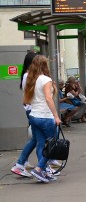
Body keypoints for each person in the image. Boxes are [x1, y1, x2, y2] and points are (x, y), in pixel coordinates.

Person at [23, 55, 62, 183]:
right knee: (51, 144)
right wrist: (56, 116)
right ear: (45, 65)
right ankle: (40, 168)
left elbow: (29, 99)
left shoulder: (32, 79)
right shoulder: (46, 79)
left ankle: (43, 171)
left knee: (41, 143)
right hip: (45, 116)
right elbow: (48, 98)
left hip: (34, 116)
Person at [11, 51, 38, 178]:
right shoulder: (28, 75)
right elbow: (32, 92)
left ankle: (23, 162)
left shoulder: (27, 75)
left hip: (31, 109)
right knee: (36, 138)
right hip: (32, 109)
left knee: (36, 138)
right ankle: (21, 163)